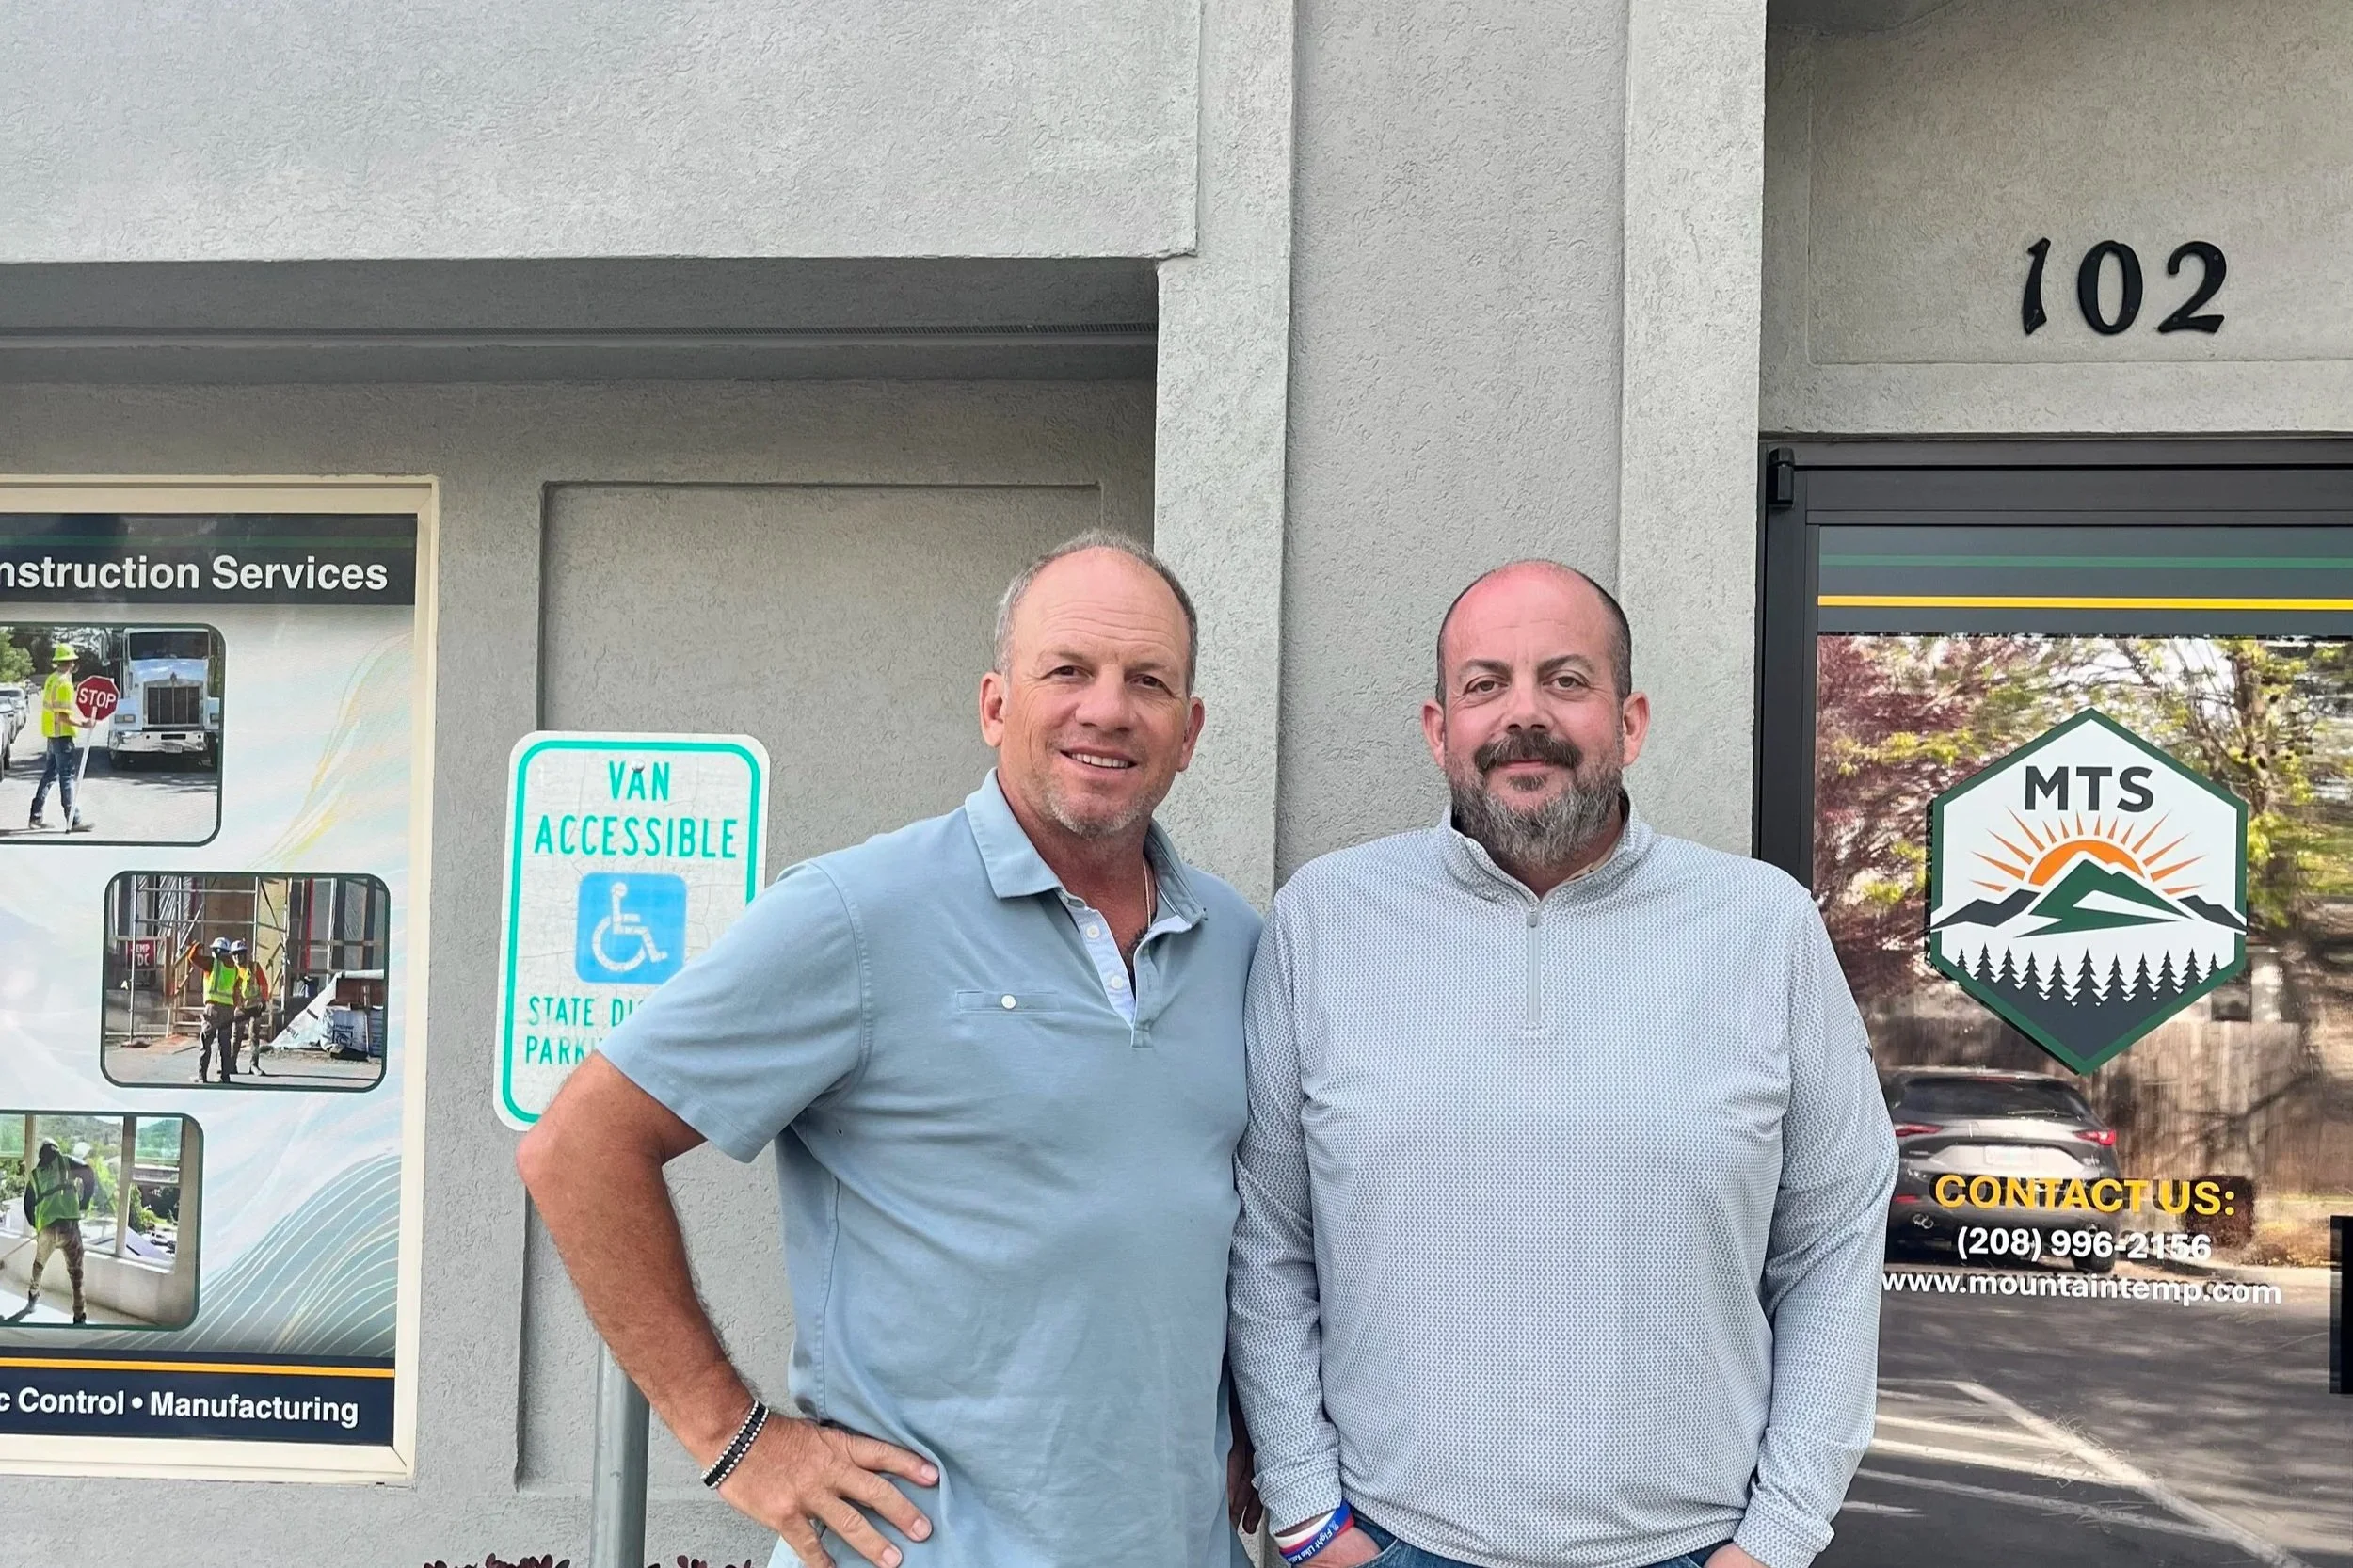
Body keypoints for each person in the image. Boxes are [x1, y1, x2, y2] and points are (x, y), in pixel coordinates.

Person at [519, 531, 1262, 1568]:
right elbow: (579, 1145)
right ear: (996, 704)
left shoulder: (1234, 941)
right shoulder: (856, 915)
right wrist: (733, 1439)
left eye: (1147, 680)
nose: (1106, 707)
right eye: (1068, 671)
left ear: (1187, 732)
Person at [1230, 561, 1897, 1568]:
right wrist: (1309, 1518)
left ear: (1628, 722)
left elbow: (1835, 1240)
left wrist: (1778, 1538)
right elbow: (1268, 1237)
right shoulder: (1322, 920)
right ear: (1436, 726)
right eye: (1485, 683)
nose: (1523, 715)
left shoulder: (1763, 927)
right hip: (1391, 1541)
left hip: (1689, 1547)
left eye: (1566, 680)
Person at [18, 1140, 91, 1323]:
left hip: (47, 1229)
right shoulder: (65, 1162)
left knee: (39, 1266)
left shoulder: (35, 1175)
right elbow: (88, 1173)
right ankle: (79, 1315)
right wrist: (85, 1201)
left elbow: (27, 1205)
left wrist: (37, 1226)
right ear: (56, 1152)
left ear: (41, 1156)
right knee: (76, 1273)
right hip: (69, 1227)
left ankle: (33, 1296)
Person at [27, 644, 88, 830]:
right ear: (70, 663)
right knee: (66, 777)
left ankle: (35, 817)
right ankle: (73, 820)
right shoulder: (64, 683)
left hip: (52, 735)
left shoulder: (52, 679)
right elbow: (62, 715)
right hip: (62, 735)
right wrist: (83, 724)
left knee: (49, 775)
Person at [186, 936, 246, 1084]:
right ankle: (225, 1076)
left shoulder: (213, 963)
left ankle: (202, 1077)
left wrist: (196, 945)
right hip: (228, 1009)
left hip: (213, 1009)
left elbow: (192, 958)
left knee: (206, 1042)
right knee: (224, 1044)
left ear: (217, 951)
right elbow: (237, 991)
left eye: (213, 950)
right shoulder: (235, 969)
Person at [231, 937, 274, 1076]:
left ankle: (254, 1065)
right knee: (236, 1036)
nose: (237, 957)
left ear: (245, 954)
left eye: (240, 953)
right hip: (240, 1008)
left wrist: (264, 999)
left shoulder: (254, 967)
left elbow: (264, 984)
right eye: (235, 954)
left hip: (255, 1007)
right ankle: (231, 1065)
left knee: (254, 1037)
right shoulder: (231, 970)